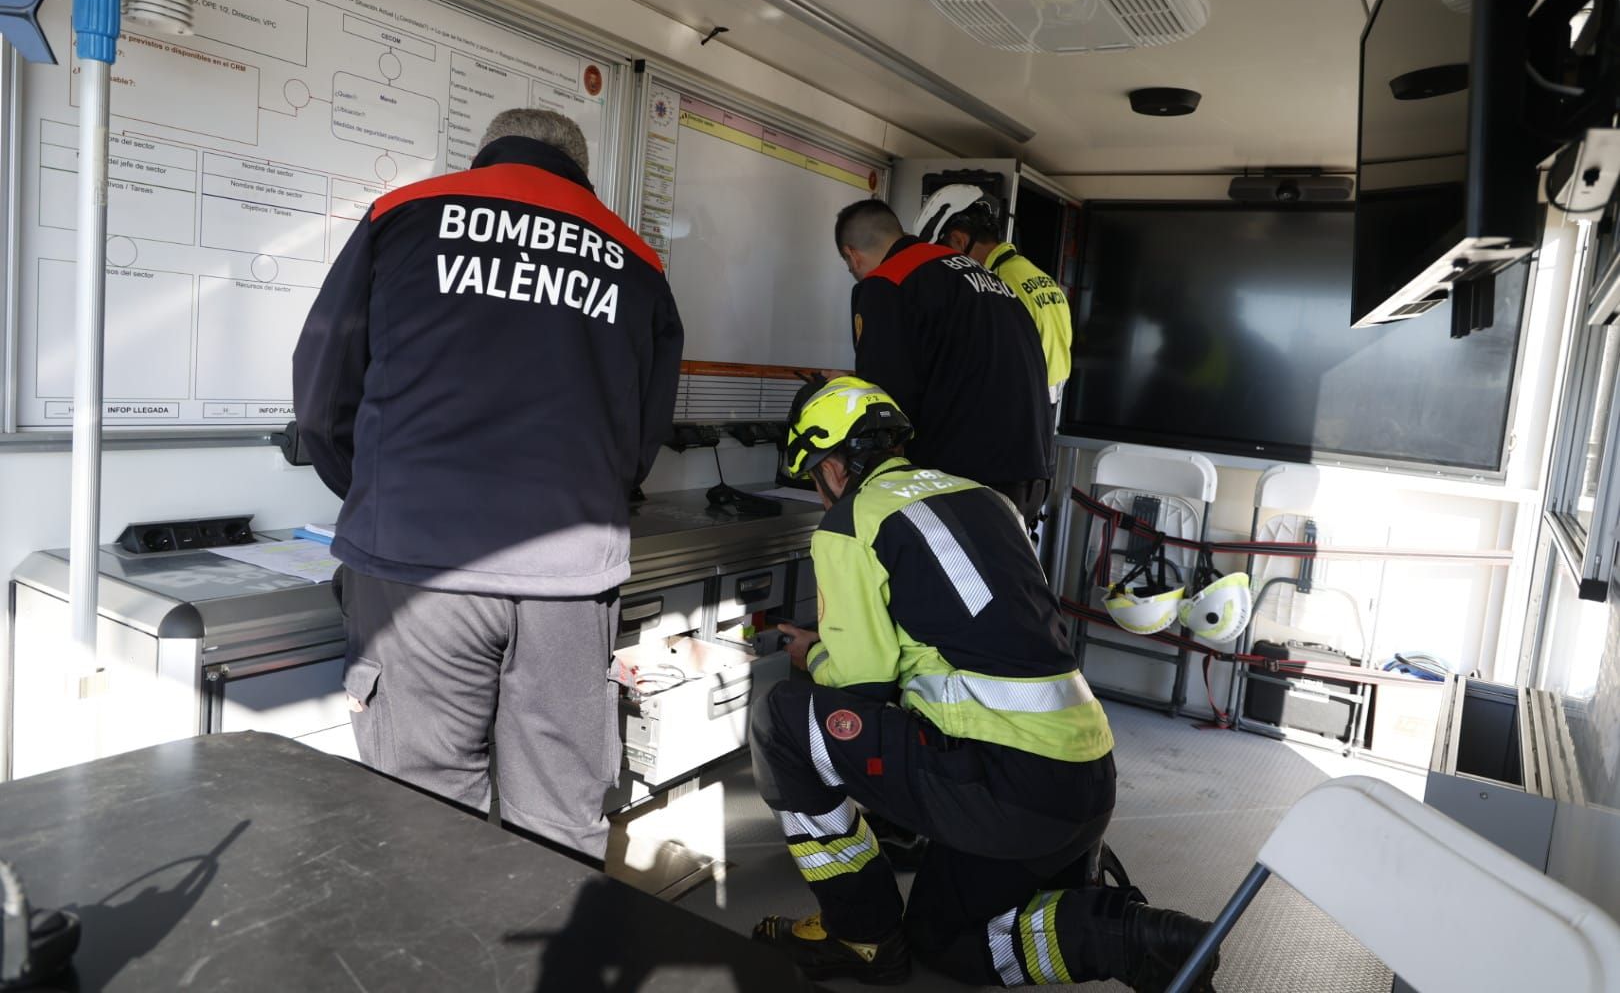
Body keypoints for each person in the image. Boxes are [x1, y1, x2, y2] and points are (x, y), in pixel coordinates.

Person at [292, 108, 683, 860]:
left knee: (424, 812)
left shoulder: (402, 215)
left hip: (419, 569)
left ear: (483, 157)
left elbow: (321, 398)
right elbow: (640, 438)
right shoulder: (637, 261)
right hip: (570, 579)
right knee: (562, 816)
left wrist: (380, 497)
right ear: (582, 173)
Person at [749, 375, 1219, 990]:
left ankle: (860, 933)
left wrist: (813, 656)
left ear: (834, 467)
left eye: (814, 478)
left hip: (1004, 787)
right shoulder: (985, 498)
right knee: (943, 942)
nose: (821, 494)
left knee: (781, 719)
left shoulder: (851, 521)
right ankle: (1127, 935)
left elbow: (861, 685)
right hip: (1084, 783)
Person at [837, 198, 1052, 529]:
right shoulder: (982, 276)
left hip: (962, 484)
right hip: (1025, 476)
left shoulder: (887, 283)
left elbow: (886, 405)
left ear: (852, 255)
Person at [916, 184, 1072, 528]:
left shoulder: (995, 282)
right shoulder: (1038, 277)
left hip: (1006, 445)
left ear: (958, 241)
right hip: (1039, 441)